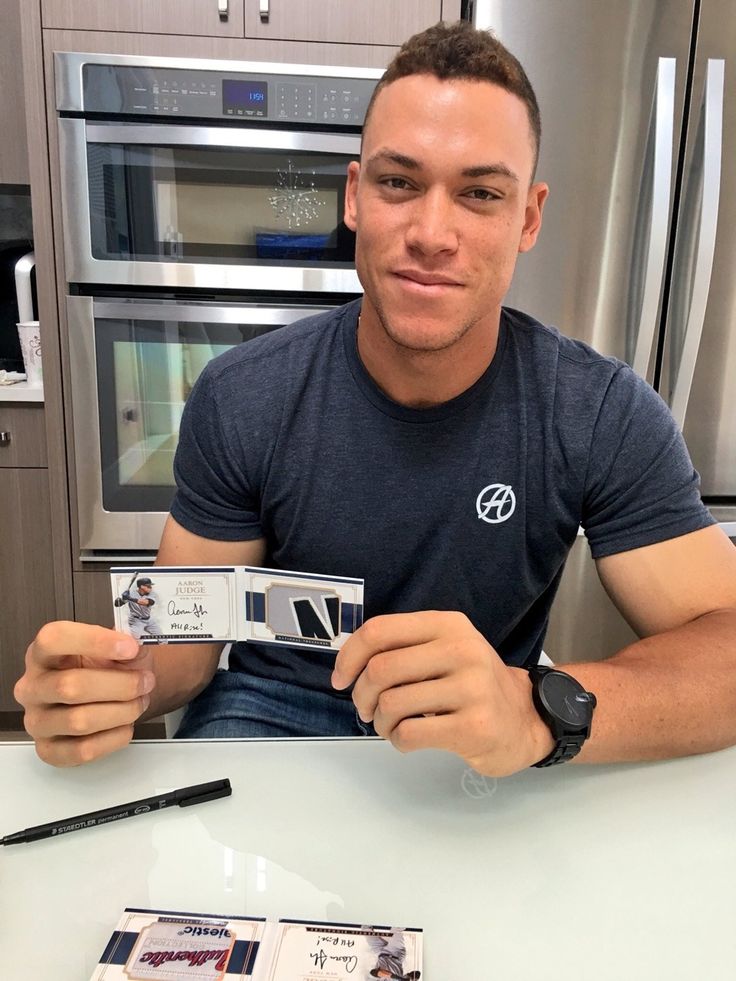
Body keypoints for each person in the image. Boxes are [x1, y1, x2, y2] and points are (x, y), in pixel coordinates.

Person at [15, 21, 736, 773]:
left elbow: (727, 644)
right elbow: (183, 649)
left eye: (480, 193)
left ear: (528, 218)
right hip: (272, 716)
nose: (432, 232)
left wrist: (534, 708)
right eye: (399, 182)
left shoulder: (600, 411)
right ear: (356, 196)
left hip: (470, 742)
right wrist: (113, 682)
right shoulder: (240, 394)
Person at [115, 577, 162, 641]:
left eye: (150, 586)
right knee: (137, 642)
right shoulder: (131, 594)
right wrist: (120, 600)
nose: (150, 587)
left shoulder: (152, 594)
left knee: (163, 639)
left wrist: (129, 598)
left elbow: (147, 602)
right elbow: (117, 604)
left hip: (149, 620)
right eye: (148, 586)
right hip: (136, 621)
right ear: (141, 586)